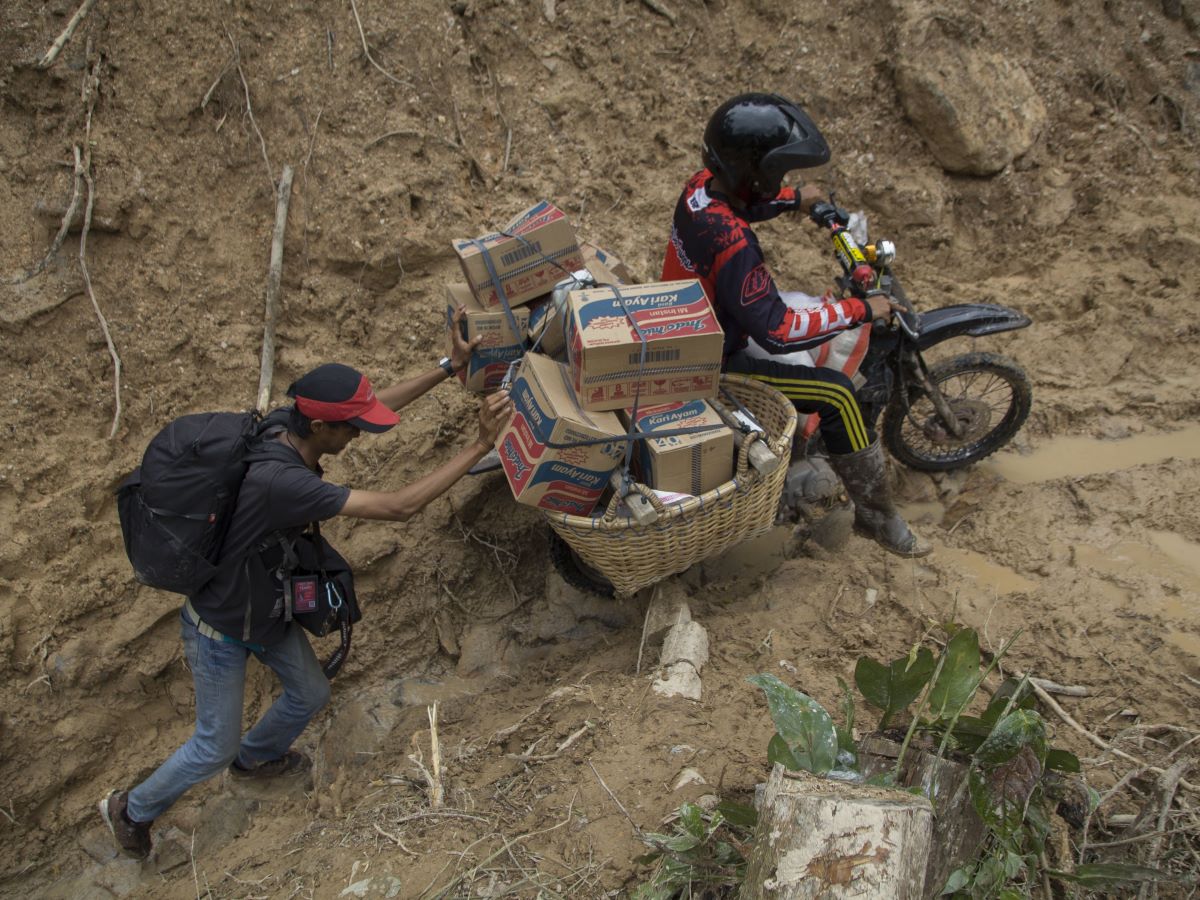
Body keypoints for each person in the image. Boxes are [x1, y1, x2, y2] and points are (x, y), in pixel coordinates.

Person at [100, 308, 513, 859]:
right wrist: (480, 445)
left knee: (311, 692)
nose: (361, 432)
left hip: (261, 607)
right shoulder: (284, 482)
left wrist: (447, 368)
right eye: (352, 427)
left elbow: (375, 407)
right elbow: (401, 506)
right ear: (321, 428)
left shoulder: (285, 424)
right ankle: (130, 810)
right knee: (211, 746)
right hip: (220, 626)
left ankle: (256, 758)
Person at [661, 91, 929, 557]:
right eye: (775, 174)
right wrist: (862, 310)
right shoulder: (736, 247)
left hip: (686, 322)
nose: (778, 181)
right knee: (836, 395)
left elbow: (741, 205)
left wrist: (794, 200)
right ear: (753, 172)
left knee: (805, 314)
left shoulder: (700, 187)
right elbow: (778, 331)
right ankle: (879, 518)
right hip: (711, 360)